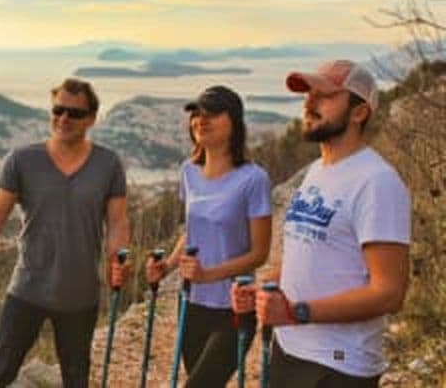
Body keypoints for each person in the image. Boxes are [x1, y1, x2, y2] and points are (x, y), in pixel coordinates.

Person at [231, 60, 411, 387]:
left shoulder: (377, 182)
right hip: (291, 350)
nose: (309, 103)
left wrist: (295, 312)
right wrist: (262, 289)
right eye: (309, 94)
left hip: (338, 366)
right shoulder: (317, 171)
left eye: (325, 96)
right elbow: (312, 253)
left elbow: (389, 293)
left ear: (359, 112)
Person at [0, 78, 130, 388]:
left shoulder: (109, 164)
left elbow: (116, 221)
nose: (63, 119)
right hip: (27, 287)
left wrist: (119, 259)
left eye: (74, 113)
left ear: (91, 119)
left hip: (80, 292)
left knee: (76, 378)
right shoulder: (22, 160)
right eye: (58, 110)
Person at [146, 85, 272, 387]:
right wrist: (168, 266)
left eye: (213, 113)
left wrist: (208, 275)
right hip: (191, 302)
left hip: (234, 306)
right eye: (196, 113)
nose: (201, 119)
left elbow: (259, 253)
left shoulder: (254, 179)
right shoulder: (188, 171)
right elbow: (192, 231)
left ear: (235, 123)